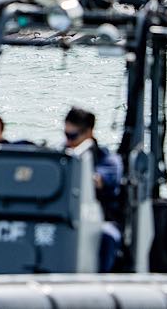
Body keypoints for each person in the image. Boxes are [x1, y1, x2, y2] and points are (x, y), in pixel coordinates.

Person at [64, 107, 123, 273]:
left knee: (108, 236)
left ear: (89, 132)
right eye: (66, 135)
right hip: (65, 216)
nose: (68, 141)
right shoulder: (62, 154)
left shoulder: (108, 160)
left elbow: (99, 181)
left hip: (98, 218)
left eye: (73, 136)